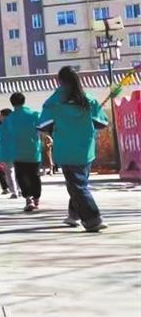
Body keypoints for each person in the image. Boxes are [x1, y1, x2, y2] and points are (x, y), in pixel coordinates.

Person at [38, 66, 109, 232]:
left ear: (59, 80)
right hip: (86, 148)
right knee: (78, 183)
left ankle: (93, 219)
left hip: (66, 148)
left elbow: (43, 125)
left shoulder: (53, 102)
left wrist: (58, 127)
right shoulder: (88, 99)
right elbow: (102, 122)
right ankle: (73, 215)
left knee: (77, 185)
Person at [2, 93, 42, 212]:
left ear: (12, 103)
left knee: (21, 176)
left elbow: (6, 136)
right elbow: (42, 128)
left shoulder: (9, 119)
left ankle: (28, 199)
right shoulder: (34, 115)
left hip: (17, 152)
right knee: (34, 176)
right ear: (24, 101)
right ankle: (36, 198)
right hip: (33, 151)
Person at [0, 108, 20, 199]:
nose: (0, 117)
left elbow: (3, 141)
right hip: (17, 151)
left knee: (9, 173)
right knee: (17, 172)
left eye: (1, 115)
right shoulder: (16, 123)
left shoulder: (4, 126)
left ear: (4, 116)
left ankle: (14, 191)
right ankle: (19, 189)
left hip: (7, 152)